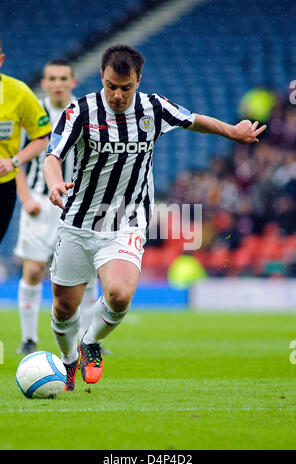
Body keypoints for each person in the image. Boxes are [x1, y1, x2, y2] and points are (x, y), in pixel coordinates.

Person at [43, 44, 266, 391]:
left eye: (125, 87)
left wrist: (232, 132)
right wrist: (55, 184)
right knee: (62, 308)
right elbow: (51, 156)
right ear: (102, 78)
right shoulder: (81, 110)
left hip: (126, 220)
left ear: (138, 81)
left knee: (119, 294)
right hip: (79, 220)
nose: (117, 95)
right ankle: (69, 360)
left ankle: (90, 342)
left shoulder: (154, 107)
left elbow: (195, 121)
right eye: (110, 86)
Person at [14, 58, 107, 356]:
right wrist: (26, 198)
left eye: (62, 78)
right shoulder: (35, 112)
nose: (57, 84)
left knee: (87, 272)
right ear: (43, 83)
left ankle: (88, 340)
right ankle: (28, 338)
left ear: (73, 82)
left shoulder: (85, 111)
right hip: (40, 203)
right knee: (33, 270)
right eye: (51, 78)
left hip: (79, 205)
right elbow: (16, 158)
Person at [0, 39, 52, 243]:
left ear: (1, 60)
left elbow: (42, 138)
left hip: (3, 187)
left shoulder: (19, 93)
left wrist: (13, 161)